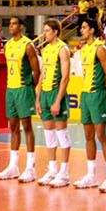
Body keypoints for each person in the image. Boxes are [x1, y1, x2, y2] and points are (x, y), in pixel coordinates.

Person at [73, 15, 106, 192]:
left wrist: (103, 96)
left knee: (101, 135)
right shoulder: (83, 49)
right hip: (85, 94)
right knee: (88, 136)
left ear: (92, 30)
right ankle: (91, 175)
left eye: (84, 27)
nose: (81, 30)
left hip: (97, 94)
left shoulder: (100, 49)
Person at [0, 17, 42, 182]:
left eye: (14, 24)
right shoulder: (8, 45)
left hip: (23, 89)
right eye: (9, 24)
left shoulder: (28, 45)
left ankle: (30, 167)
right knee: (13, 127)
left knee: (27, 126)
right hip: (11, 89)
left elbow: (36, 70)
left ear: (22, 27)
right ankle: (13, 166)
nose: (11, 26)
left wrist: (30, 88)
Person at [33, 18, 71, 187]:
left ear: (55, 32)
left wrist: (58, 100)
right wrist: (38, 98)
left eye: (47, 30)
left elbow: (65, 77)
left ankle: (64, 172)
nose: (44, 34)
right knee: (49, 134)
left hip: (56, 92)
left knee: (61, 133)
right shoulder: (45, 50)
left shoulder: (62, 49)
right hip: (45, 93)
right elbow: (42, 74)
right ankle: (52, 170)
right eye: (44, 30)